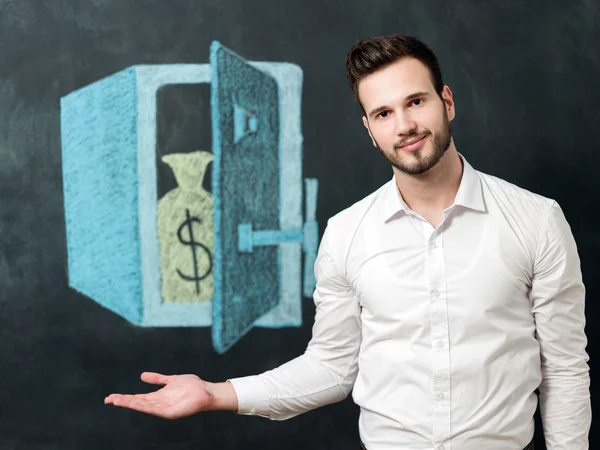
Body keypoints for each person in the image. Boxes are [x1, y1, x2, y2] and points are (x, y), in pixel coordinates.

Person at [104, 35, 591, 450]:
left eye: (415, 102)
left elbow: (564, 369)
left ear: (447, 102)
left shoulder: (536, 219)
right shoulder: (346, 233)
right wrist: (217, 393)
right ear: (369, 129)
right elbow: (332, 368)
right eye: (383, 113)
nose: (404, 126)